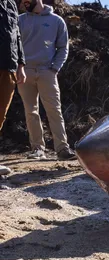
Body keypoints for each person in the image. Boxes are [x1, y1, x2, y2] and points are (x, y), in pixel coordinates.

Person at [17, 0, 76, 160]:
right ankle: (38, 149)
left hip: (47, 72)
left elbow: (63, 47)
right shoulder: (20, 20)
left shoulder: (56, 21)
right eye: (22, 1)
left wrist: (54, 68)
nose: (24, 3)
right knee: (31, 112)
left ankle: (62, 149)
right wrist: (18, 67)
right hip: (25, 72)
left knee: (54, 110)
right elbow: (14, 46)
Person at [0, 0, 26, 176]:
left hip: (9, 66)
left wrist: (21, 65)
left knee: (0, 114)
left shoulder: (12, 4)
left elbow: (16, 35)